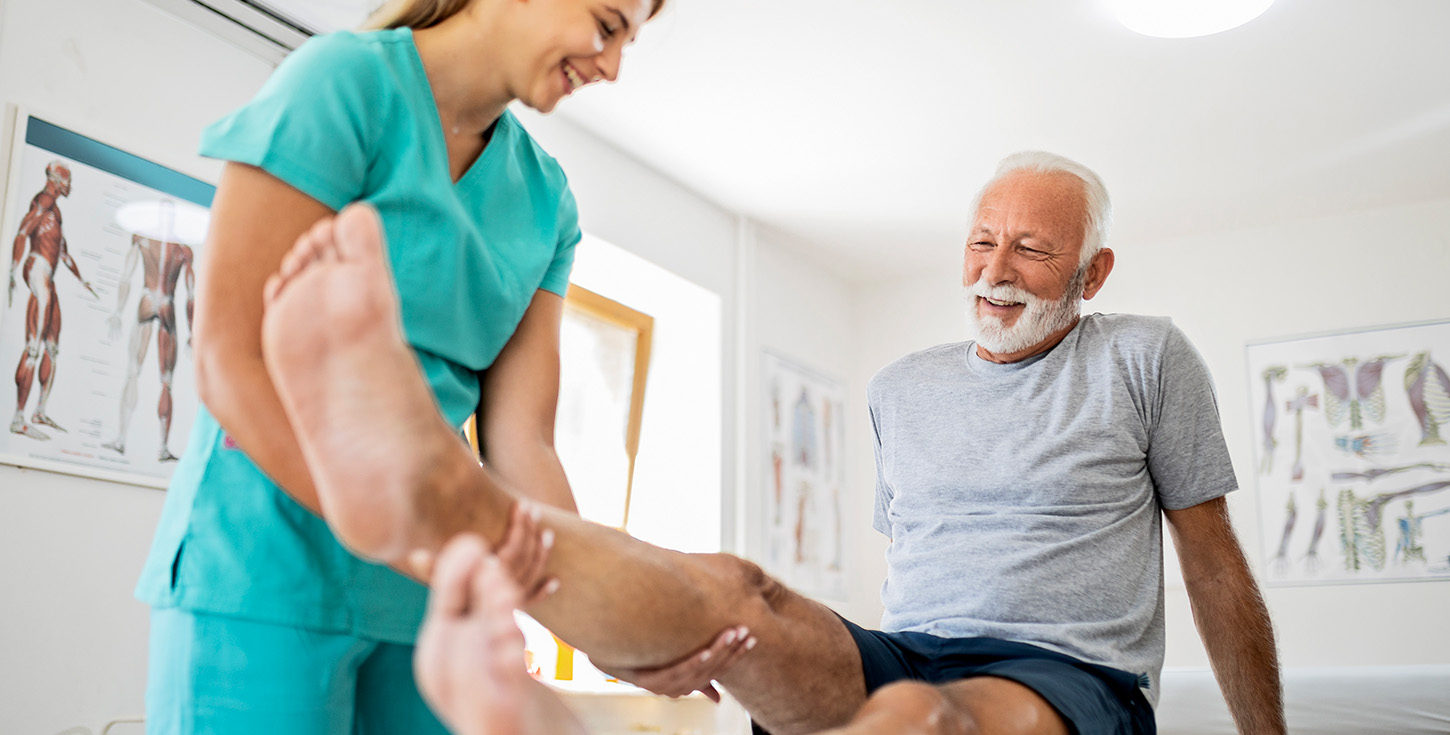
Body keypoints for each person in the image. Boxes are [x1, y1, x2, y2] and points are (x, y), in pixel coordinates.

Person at [257, 152, 1287, 734]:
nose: (995, 269)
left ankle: (541, 724)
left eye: (1032, 248)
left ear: (1092, 274)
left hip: (1065, 679)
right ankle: (449, 491)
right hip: (902, 649)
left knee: (929, 723)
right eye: (981, 240)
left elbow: (1214, 566)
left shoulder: (1146, 360)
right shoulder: (901, 389)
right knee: (733, 590)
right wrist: (646, 648)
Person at [131, 1, 752, 733]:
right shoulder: (342, 85)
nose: (613, 66)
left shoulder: (546, 199)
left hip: (430, 594)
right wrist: (398, 532)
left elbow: (525, 444)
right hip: (263, 566)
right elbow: (230, 359)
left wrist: (600, 621)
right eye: (608, 25)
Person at [8, 160, 99, 440]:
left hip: (49, 274)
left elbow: (63, 252)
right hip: (38, 270)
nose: (69, 185)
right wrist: (12, 269)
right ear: (55, 180)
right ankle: (18, 418)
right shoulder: (45, 200)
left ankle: (39, 410)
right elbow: (24, 231)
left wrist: (82, 279)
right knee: (34, 347)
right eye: (66, 180)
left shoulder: (55, 211)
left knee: (52, 347)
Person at [102, 202, 196, 462]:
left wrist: (118, 312)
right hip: (166, 303)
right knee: (165, 380)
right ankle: (160, 447)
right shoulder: (182, 250)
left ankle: (123, 439)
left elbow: (126, 275)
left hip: (147, 299)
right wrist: (191, 330)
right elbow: (190, 295)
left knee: (135, 372)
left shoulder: (144, 239)